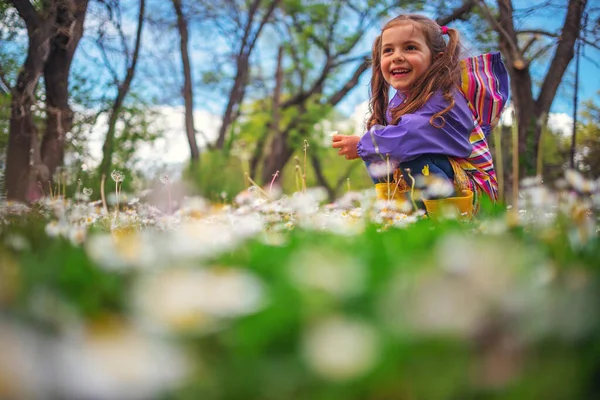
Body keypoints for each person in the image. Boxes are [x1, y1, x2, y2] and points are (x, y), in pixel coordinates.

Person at [332, 14, 509, 217]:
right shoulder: (402, 101)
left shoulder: (445, 97)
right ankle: (400, 215)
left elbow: (412, 134)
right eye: (388, 50)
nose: (397, 56)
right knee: (379, 154)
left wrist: (363, 145)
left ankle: (448, 221)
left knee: (406, 155)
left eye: (410, 48)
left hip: (475, 192)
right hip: (448, 183)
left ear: (437, 58)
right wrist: (370, 147)